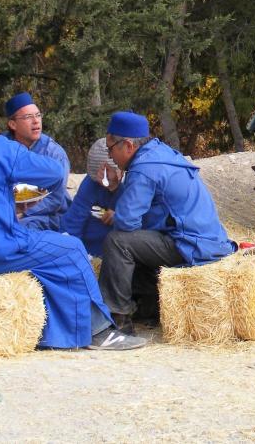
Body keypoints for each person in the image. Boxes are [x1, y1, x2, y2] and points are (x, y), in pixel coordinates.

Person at [0, 103, 145, 351]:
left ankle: (47, 332)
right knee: (71, 249)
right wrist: (17, 189)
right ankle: (98, 331)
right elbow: (54, 172)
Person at [98, 111, 237, 331]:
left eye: (111, 148)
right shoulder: (160, 152)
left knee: (118, 242)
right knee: (135, 244)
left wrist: (117, 205)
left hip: (190, 245)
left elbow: (126, 222)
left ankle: (116, 320)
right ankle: (149, 307)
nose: (110, 155)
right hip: (208, 240)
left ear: (128, 145)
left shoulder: (143, 168)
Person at [4, 92, 71, 231]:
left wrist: (23, 213)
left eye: (38, 115)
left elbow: (55, 199)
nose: (36, 121)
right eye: (28, 117)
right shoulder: (1, 146)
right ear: (12, 124)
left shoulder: (54, 153)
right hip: (8, 208)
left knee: (18, 228)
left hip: (47, 214)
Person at [61, 138, 121, 257]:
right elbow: (74, 220)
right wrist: (70, 251)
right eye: (97, 178)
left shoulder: (133, 182)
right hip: (90, 248)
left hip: (120, 244)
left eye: (105, 177)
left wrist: (121, 215)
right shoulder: (90, 184)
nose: (102, 182)